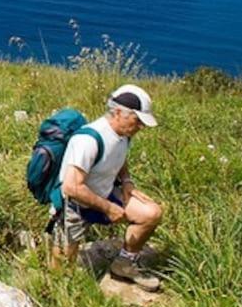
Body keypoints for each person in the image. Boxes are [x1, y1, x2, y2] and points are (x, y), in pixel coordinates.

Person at [52, 84, 164, 291]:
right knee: (62, 268)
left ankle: (124, 264)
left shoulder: (123, 134)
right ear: (119, 112)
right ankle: (58, 296)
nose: (140, 127)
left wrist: (127, 182)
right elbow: (71, 187)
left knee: (151, 214)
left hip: (104, 194)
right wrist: (109, 208)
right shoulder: (88, 140)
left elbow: (120, 157)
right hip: (74, 206)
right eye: (137, 120)